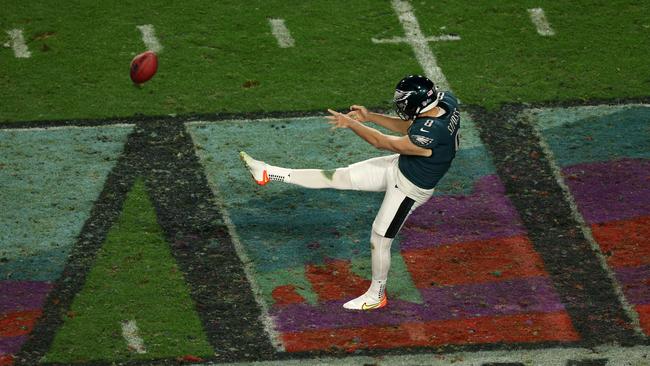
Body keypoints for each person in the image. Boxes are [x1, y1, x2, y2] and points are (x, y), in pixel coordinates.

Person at [240, 75, 460, 310]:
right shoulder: (445, 103)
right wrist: (370, 117)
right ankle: (268, 172)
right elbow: (410, 126)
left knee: (380, 238)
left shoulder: (430, 135)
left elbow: (383, 142)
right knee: (338, 176)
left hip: (410, 188)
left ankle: (377, 295)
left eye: (404, 101)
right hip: (400, 166)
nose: (400, 106)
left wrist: (352, 124)